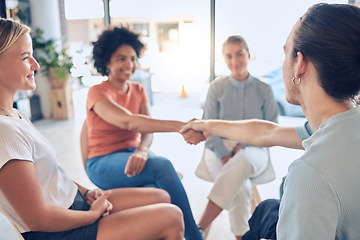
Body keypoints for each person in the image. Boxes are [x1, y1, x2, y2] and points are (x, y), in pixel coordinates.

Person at [182, 3, 360, 240]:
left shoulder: (310, 175)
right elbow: (267, 132)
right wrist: (207, 125)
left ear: (299, 64)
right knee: (265, 211)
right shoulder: (342, 124)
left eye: (285, 53)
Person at [0, 18, 185, 240]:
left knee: (162, 197)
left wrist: (87, 192)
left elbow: (49, 175)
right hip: (63, 231)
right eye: (24, 57)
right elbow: (37, 219)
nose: (36, 65)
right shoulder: (4, 131)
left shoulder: (15, 116)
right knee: (171, 216)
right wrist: (93, 215)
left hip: (75, 205)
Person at [85, 26, 204, 240]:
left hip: (133, 156)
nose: (129, 64)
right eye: (121, 58)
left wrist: (141, 150)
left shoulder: (138, 90)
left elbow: (146, 129)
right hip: (102, 163)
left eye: (132, 58)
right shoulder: (98, 92)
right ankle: (195, 237)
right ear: (107, 62)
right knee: (163, 166)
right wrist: (181, 126)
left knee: (158, 191)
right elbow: (129, 122)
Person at [197, 35, 278, 239]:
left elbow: (272, 131)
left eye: (239, 54)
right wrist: (225, 154)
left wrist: (244, 145)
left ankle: (199, 227)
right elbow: (208, 128)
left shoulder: (264, 90)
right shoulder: (216, 88)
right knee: (241, 188)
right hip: (217, 147)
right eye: (229, 56)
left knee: (242, 161)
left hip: (255, 148)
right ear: (224, 59)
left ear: (249, 55)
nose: (234, 61)